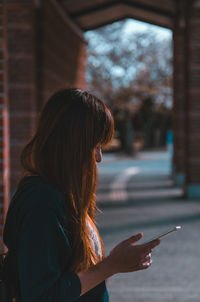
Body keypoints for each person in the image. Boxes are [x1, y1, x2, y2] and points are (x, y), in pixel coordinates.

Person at [3, 89, 160, 302]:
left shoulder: (61, 194)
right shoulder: (42, 202)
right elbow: (43, 296)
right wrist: (110, 266)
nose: (99, 158)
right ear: (74, 146)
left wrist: (113, 263)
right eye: (95, 146)